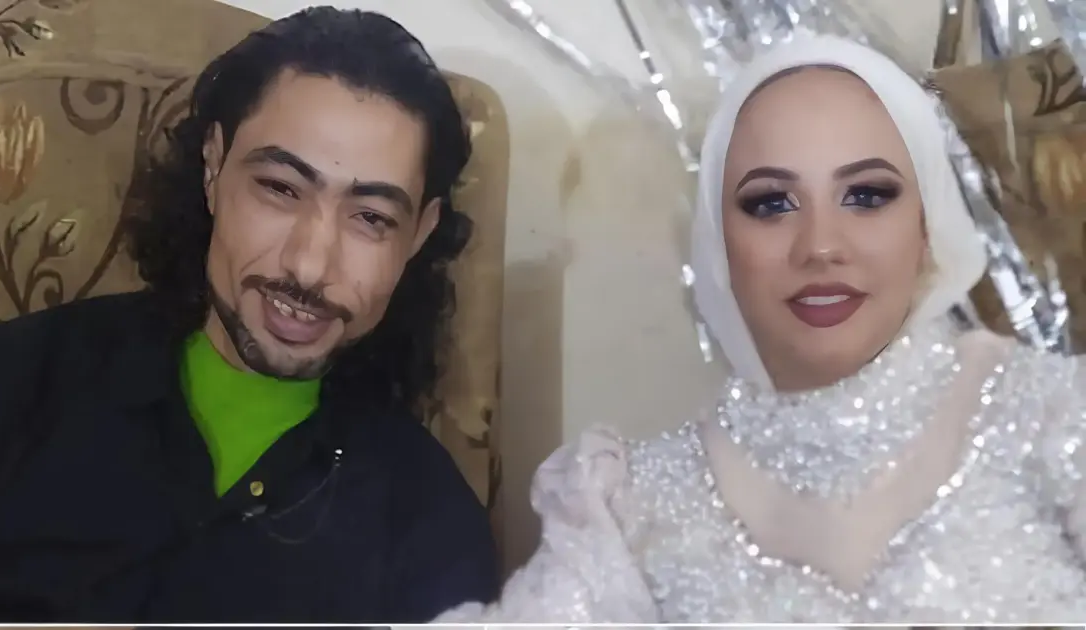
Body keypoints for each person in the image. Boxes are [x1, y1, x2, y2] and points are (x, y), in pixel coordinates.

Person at [436, 35, 1086, 623]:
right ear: (719, 245)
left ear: (927, 225)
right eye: (771, 203)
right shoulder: (630, 505)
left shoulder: (1055, 419)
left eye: (867, 195)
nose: (821, 245)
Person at [0, 6, 499, 623]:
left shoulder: (432, 531)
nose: (311, 266)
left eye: (371, 218)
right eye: (280, 188)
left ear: (420, 234)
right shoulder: (2, 392)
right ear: (213, 167)